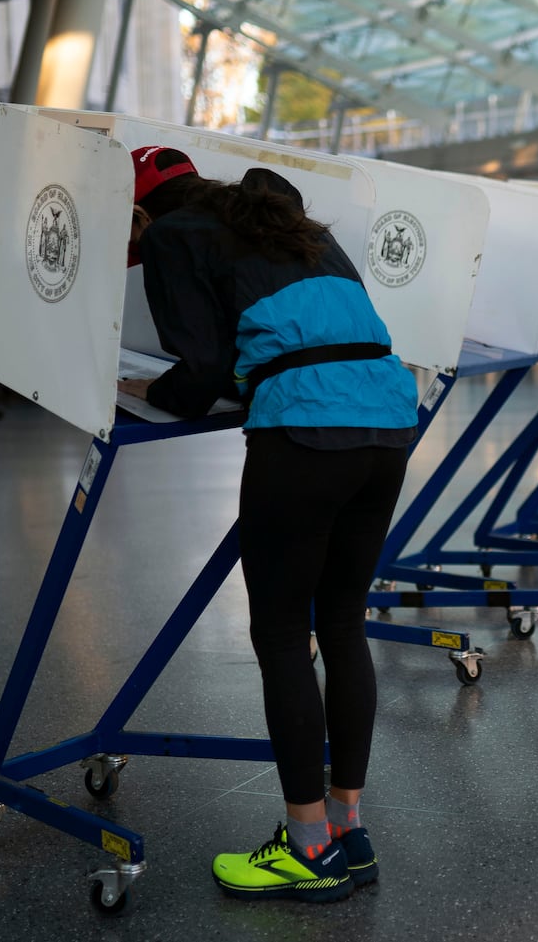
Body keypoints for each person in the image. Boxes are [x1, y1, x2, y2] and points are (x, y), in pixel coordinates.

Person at [116, 146, 419, 902]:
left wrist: (149, 385)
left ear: (139, 212)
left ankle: (305, 848)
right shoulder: (293, 223)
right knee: (343, 625)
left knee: (283, 635)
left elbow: (207, 366)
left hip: (306, 429)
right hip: (386, 419)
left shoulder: (169, 235)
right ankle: (348, 829)